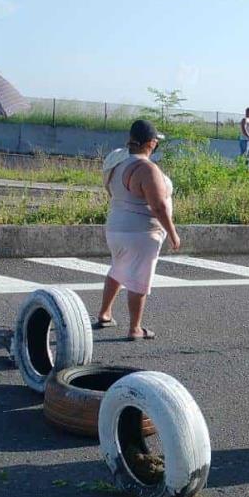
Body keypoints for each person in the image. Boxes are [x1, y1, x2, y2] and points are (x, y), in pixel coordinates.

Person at [94, 120, 180, 341]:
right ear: (151, 143)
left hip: (115, 229)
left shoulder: (116, 163)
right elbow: (159, 206)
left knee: (117, 270)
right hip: (141, 233)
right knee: (140, 279)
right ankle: (135, 328)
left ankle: (105, 313)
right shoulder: (147, 169)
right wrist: (172, 233)